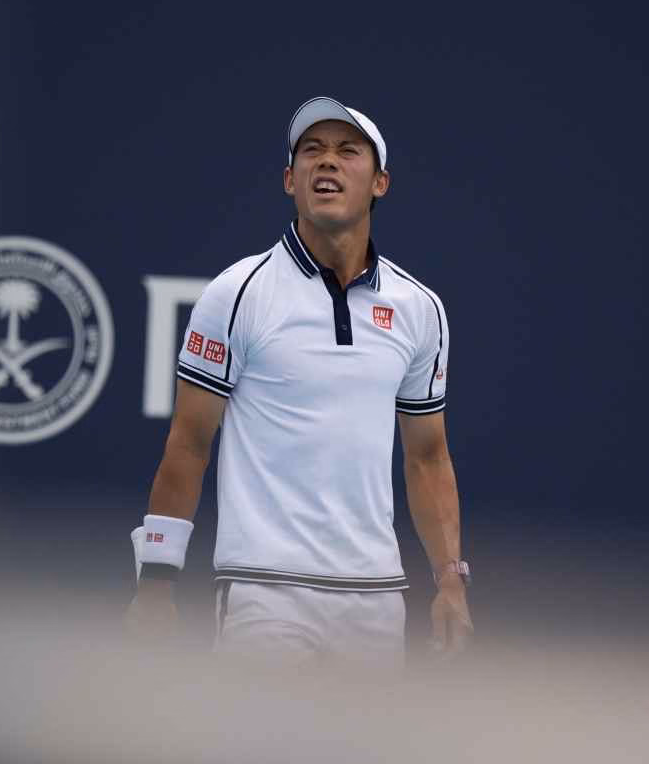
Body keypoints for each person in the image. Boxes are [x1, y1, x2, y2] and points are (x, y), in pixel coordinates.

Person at [124, 96, 472, 668]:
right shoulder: (237, 293)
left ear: (380, 182)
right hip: (263, 592)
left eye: (346, 151)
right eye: (311, 151)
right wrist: (155, 585)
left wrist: (451, 582)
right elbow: (188, 445)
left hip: (378, 597)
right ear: (290, 180)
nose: (326, 162)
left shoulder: (421, 309)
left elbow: (429, 458)